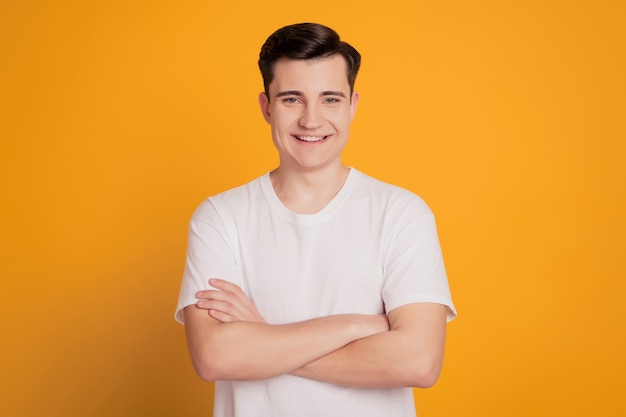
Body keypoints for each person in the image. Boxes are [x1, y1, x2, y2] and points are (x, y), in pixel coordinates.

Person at [175, 22, 456, 417]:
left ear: (353, 105)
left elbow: (418, 362)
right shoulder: (220, 218)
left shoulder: (402, 213)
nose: (311, 120)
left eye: (330, 99)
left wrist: (264, 339)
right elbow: (215, 356)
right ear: (266, 107)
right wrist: (358, 326)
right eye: (292, 99)